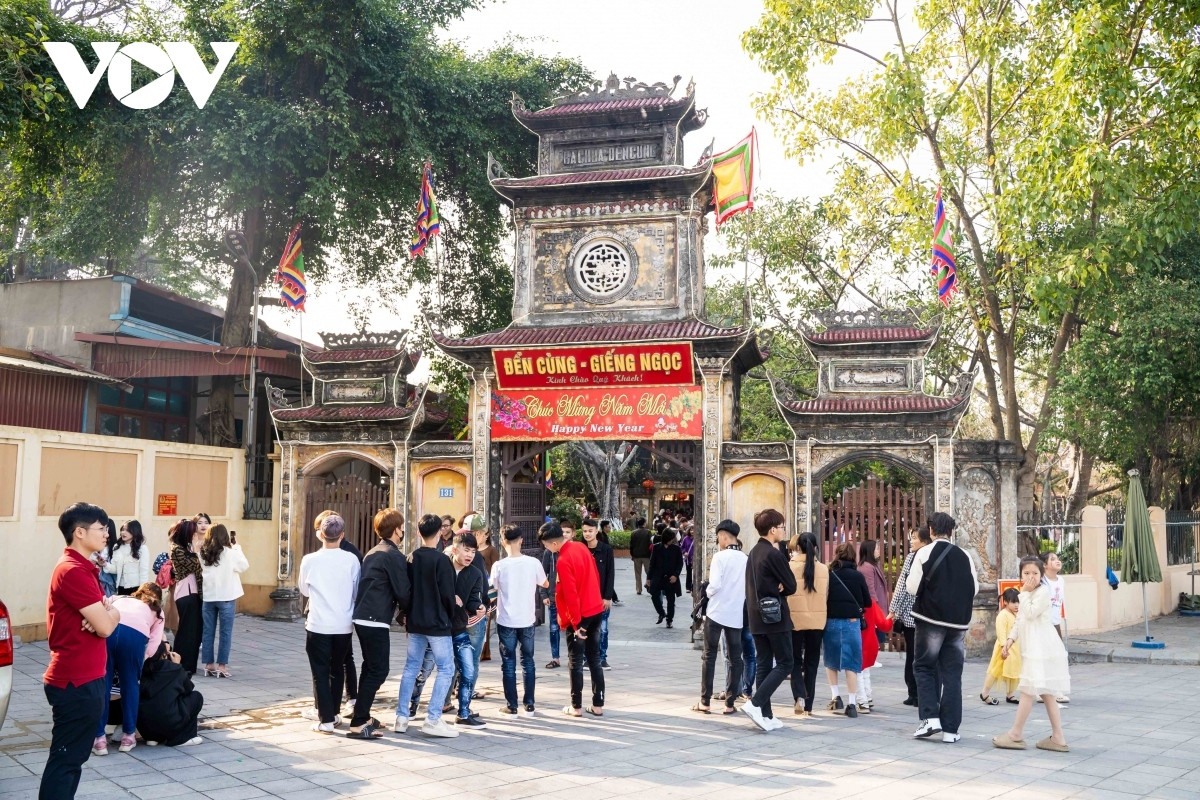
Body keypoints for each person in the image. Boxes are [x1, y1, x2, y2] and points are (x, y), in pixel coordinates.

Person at [41, 503, 121, 800]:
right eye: (101, 529)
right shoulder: (71, 570)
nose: (107, 533)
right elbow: (106, 626)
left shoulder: (85, 568)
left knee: (73, 760)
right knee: (67, 761)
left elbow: (108, 616)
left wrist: (108, 615)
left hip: (87, 678)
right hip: (74, 680)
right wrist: (108, 616)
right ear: (79, 532)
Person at [908, 512, 978, 744]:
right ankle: (951, 730)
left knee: (925, 667)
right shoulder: (965, 555)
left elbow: (912, 586)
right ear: (952, 531)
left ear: (930, 530)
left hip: (930, 619)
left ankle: (930, 718)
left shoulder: (924, 553)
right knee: (953, 674)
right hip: (957, 622)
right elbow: (974, 588)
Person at [992, 557, 1071, 752]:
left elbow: (1030, 612)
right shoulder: (1026, 593)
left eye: (1035, 573)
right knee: (1046, 693)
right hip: (1034, 649)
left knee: (1028, 689)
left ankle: (1015, 734)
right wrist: (1009, 641)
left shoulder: (1043, 592)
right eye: (1026, 573)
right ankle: (1058, 737)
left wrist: (1024, 594)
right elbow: (1020, 621)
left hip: (1042, 649)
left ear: (1041, 575)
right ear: (1020, 575)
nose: (1030, 577)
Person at [347, 508, 411, 739]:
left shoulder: (373, 551)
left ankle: (362, 714)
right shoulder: (393, 555)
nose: (403, 530)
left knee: (370, 667)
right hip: (374, 618)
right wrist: (409, 612)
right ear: (397, 530)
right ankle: (357, 722)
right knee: (379, 669)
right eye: (402, 526)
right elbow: (403, 591)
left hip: (364, 615)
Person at [394, 514, 459, 737]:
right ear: (440, 532)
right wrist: (451, 616)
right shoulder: (442, 560)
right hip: (437, 622)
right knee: (446, 668)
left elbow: (405, 591)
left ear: (418, 532)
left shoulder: (411, 558)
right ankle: (433, 718)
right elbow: (448, 595)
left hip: (415, 621)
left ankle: (402, 717)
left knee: (411, 667)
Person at [298, 514, 361, 734]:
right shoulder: (351, 560)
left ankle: (325, 720)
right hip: (343, 623)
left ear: (321, 535)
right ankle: (333, 713)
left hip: (318, 623)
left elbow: (304, 590)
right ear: (342, 535)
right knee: (337, 669)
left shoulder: (309, 560)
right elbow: (356, 592)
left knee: (320, 672)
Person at [542, 522, 606, 718]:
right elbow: (595, 575)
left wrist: (577, 624)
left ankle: (576, 706)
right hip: (595, 608)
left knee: (575, 661)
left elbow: (570, 594)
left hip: (579, 616)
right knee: (594, 659)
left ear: (553, 543)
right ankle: (597, 704)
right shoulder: (580, 547)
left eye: (545, 544)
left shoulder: (562, 559)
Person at [92, 583, 164, 755]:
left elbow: (101, 606)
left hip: (109, 630)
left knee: (104, 684)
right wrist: (140, 659)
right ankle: (128, 737)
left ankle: (99, 740)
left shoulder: (118, 598)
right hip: (134, 637)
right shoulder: (157, 611)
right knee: (130, 685)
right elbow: (154, 643)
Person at [742, 508, 796, 731]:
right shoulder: (773, 554)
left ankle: (767, 714)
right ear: (773, 529)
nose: (784, 530)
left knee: (764, 662)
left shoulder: (754, 551)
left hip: (755, 616)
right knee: (785, 663)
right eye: (782, 526)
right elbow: (791, 585)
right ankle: (755, 704)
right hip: (774, 616)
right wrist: (781, 587)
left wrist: (778, 585)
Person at [492, 523, 548, 718]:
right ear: (521, 540)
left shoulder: (499, 566)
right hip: (527, 619)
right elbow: (545, 582)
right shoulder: (533, 563)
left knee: (508, 663)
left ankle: (512, 706)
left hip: (506, 620)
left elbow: (494, 588)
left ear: (503, 541)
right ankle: (530, 705)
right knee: (528, 662)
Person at [695, 520, 746, 715]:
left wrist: (705, 590)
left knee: (709, 656)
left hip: (716, 613)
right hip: (735, 614)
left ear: (723, 536)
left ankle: (705, 702)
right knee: (735, 658)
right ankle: (730, 704)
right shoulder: (745, 558)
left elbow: (714, 586)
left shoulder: (719, 557)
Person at [825, 541, 872, 718]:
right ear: (853, 557)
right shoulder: (858, 576)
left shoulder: (830, 574)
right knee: (852, 663)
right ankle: (852, 704)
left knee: (831, 660)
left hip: (831, 622)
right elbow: (866, 601)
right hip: (852, 623)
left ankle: (835, 696)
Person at [448, 532, 488, 726]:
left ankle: (464, 713)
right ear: (455, 549)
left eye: (473, 551)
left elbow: (474, 598)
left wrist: (478, 607)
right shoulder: (442, 565)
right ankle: (410, 710)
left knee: (468, 668)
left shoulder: (474, 573)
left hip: (459, 627)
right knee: (424, 668)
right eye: (466, 550)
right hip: (437, 626)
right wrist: (449, 597)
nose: (470, 555)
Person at [786, 532, 828, 718]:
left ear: (798, 548)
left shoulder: (789, 567)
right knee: (812, 663)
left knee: (794, 661)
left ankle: (799, 697)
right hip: (817, 622)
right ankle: (809, 706)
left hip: (795, 621)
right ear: (815, 548)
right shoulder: (824, 569)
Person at [199, 524, 249, 679]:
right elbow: (244, 566)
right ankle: (221, 666)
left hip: (209, 597)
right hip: (226, 596)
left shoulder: (203, 553)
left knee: (208, 631)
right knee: (225, 632)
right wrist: (237, 547)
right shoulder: (230, 553)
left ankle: (208, 665)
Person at [887, 527, 928, 707]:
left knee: (912, 655)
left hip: (912, 616)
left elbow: (902, 586)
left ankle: (914, 693)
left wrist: (893, 610)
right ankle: (922, 693)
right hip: (929, 615)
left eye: (914, 538)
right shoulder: (933, 555)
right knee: (925, 655)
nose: (911, 541)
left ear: (925, 540)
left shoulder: (913, 558)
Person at [136, 643, 204, 747]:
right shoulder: (173, 668)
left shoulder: (143, 666)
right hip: (169, 721)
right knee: (196, 697)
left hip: (145, 726)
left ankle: (154, 738)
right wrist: (178, 665)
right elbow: (188, 689)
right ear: (164, 655)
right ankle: (183, 738)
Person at [169, 519, 204, 676]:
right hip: (186, 593)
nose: (195, 534)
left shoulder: (185, 548)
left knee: (195, 632)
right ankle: (181, 664)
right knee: (187, 631)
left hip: (193, 593)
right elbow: (197, 565)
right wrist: (197, 550)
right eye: (192, 531)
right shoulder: (177, 549)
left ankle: (189, 665)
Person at [581, 518, 615, 668]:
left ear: (596, 531)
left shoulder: (606, 550)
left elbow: (610, 574)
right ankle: (586, 658)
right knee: (585, 628)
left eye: (590, 531)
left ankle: (602, 657)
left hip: (601, 597)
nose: (587, 534)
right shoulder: (581, 549)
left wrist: (607, 597)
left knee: (603, 629)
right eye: (585, 531)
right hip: (584, 598)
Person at [1039, 550, 1070, 703]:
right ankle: (1041, 691)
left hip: (1055, 623)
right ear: (1045, 565)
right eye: (1052, 559)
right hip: (1043, 625)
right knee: (1043, 658)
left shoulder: (1061, 580)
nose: (1057, 561)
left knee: (1057, 657)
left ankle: (1057, 690)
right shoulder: (1041, 581)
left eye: (1057, 558)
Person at [982, 588, 1022, 705]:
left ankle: (1010, 694)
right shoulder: (1003, 615)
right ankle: (984, 692)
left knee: (1013, 670)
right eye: (1013, 602)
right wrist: (1004, 647)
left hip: (1014, 649)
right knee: (996, 670)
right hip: (1003, 648)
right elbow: (1001, 633)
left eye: (1018, 602)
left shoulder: (1016, 615)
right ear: (1005, 602)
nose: (1016, 605)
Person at [647, 527, 684, 627]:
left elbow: (680, 564)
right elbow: (652, 563)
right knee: (654, 595)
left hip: (671, 578)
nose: (672, 540)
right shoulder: (656, 547)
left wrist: (675, 575)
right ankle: (661, 613)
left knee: (671, 600)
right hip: (658, 577)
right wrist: (648, 578)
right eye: (671, 538)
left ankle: (669, 620)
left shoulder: (676, 549)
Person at [104, 520, 151, 595]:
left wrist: (142, 591)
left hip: (136, 588)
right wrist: (104, 564)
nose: (123, 532)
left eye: (127, 530)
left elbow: (144, 573)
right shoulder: (117, 547)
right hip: (121, 587)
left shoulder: (142, 549)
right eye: (122, 530)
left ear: (135, 531)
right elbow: (116, 569)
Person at [628, 518, 652, 594]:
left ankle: (638, 589)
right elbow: (650, 544)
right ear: (644, 523)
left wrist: (632, 554)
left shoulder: (633, 532)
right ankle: (649, 586)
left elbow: (631, 545)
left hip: (636, 556)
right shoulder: (648, 532)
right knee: (649, 572)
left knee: (637, 573)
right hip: (646, 556)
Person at [95, 520, 118, 598]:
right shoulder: (96, 545)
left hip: (108, 582)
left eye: (104, 529)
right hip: (97, 579)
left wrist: (105, 564)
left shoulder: (115, 547)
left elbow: (116, 569)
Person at [680, 526, 696, 592]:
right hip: (688, 559)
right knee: (689, 573)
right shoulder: (686, 539)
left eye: (693, 530)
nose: (692, 531)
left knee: (696, 573)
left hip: (696, 559)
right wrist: (684, 552)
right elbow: (681, 547)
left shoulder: (698, 538)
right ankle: (688, 587)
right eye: (691, 530)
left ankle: (694, 587)